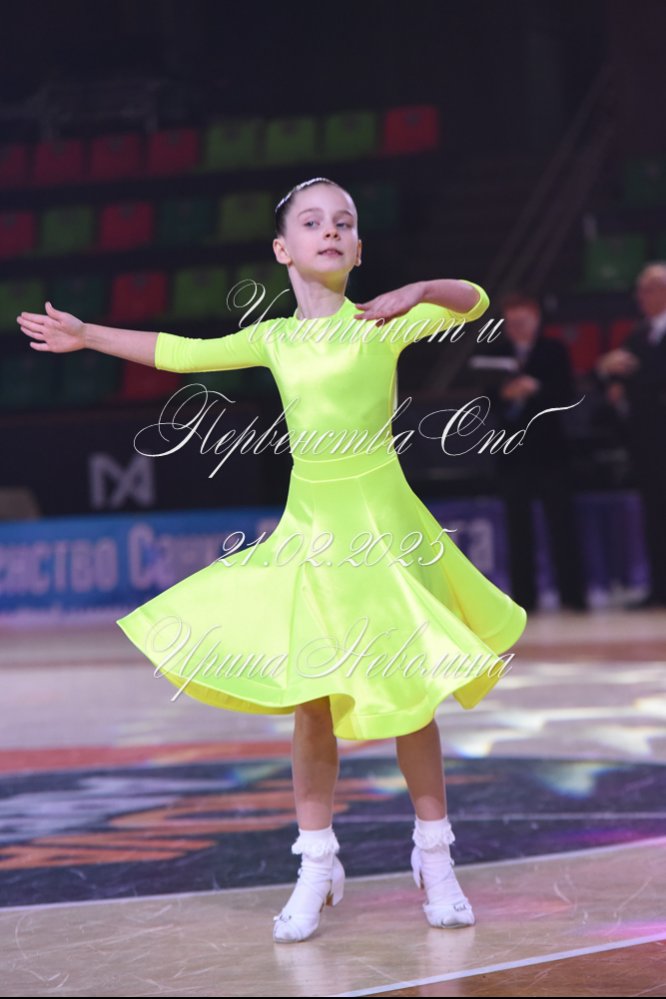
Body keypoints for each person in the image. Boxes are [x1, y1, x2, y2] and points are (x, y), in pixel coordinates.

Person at [17, 177, 527, 944]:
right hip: (314, 535)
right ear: (284, 249)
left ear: (359, 249)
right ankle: (317, 863)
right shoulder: (275, 338)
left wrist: (419, 288)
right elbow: (182, 353)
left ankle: (434, 856)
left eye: (344, 222)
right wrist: (89, 335)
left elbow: (475, 300)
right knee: (312, 700)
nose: (331, 231)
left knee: (412, 694)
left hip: (386, 531)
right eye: (313, 222)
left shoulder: (381, 322)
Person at [483, 291, 587, 612]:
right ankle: (524, 599)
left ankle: (573, 596)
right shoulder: (495, 354)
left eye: (523, 321)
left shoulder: (553, 350)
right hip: (512, 454)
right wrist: (506, 395)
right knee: (518, 528)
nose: (517, 328)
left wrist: (535, 388)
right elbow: (486, 402)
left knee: (562, 524)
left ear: (536, 319)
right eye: (511, 323)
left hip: (550, 451)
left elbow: (567, 394)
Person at [596, 262, 666, 608]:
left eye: (648, 289)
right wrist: (606, 371)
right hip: (648, 443)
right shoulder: (637, 335)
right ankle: (659, 587)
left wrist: (636, 375)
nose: (641, 296)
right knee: (655, 515)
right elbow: (618, 379)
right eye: (640, 290)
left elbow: (650, 376)